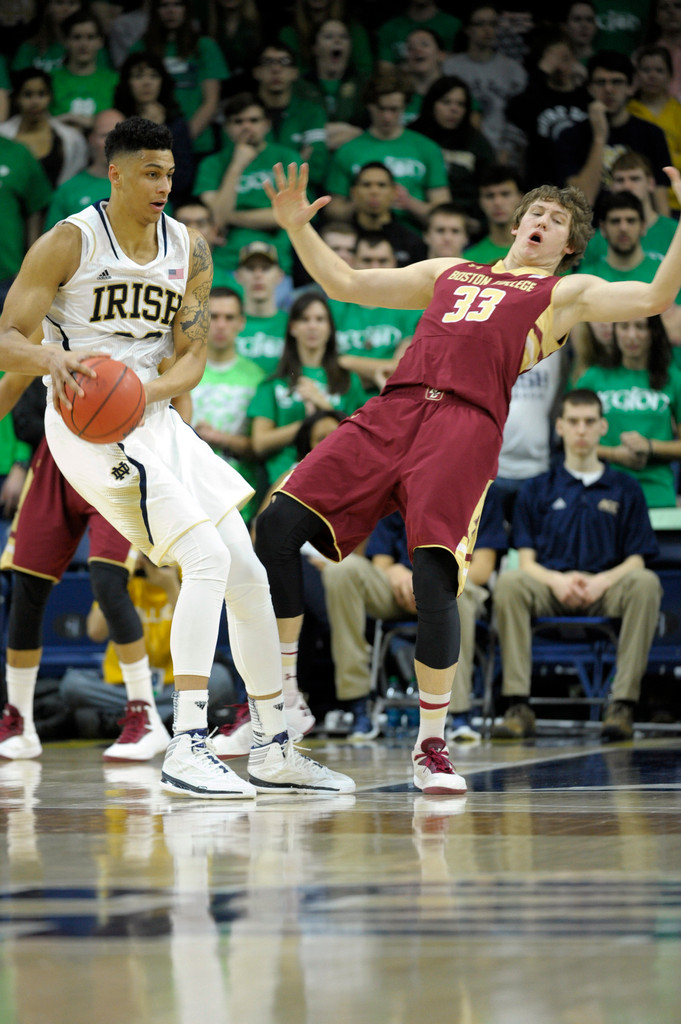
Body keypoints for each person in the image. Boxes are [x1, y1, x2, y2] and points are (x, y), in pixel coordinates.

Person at [255, 157, 681, 795]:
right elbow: (343, 282)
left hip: (465, 425)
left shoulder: (564, 293)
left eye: (557, 219)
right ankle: (286, 695)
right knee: (275, 526)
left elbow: (654, 297)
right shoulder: (449, 272)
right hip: (395, 406)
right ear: (516, 224)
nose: (542, 220)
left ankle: (432, 745)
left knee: (434, 576)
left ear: (570, 245)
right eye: (536, 211)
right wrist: (296, 228)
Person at [0, 117, 355, 799]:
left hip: (153, 417)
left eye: (170, 173)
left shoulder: (188, 247)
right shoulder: (69, 241)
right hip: (84, 425)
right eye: (151, 173)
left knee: (246, 571)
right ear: (116, 173)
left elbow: (191, 358)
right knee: (205, 559)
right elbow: (8, 338)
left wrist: (147, 391)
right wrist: (53, 357)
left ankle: (273, 744)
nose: (164, 185)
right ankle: (187, 743)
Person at [491, 388, 662, 742]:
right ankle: (518, 705)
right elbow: (525, 561)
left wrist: (602, 582)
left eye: (588, 422)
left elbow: (636, 558)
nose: (581, 430)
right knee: (509, 583)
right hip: (550, 587)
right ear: (559, 427)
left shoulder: (626, 488)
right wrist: (555, 581)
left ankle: (622, 706)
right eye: (573, 422)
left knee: (645, 582)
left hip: (607, 589)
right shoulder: (536, 489)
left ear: (603, 427)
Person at [322, 491, 507, 743]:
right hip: (400, 591)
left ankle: (458, 713)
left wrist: (431, 585)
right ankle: (358, 703)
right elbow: (381, 562)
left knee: (456, 596)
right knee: (341, 571)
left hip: (454, 586)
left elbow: (482, 570)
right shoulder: (401, 482)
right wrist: (394, 573)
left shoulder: (480, 490)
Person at [59, 550, 236, 743]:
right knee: (72, 685)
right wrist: (119, 582)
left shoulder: (186, 579)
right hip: (124, 686)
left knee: (220, 680)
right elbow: (95, 632)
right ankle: (166, 717)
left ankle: (134, 717)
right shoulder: (124, 584)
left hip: (174, 686)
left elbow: (200, 635)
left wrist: (170, 587)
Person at [248, 291, 368, 486]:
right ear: (293, 327)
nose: (312, 326)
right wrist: (308, 424)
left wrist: (324, 406)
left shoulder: (349, 380)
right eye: (305, 319)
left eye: (320, 319)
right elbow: (260, 443)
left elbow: (361, 439)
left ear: (330, 328)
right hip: (286, 482)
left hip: (338, 478)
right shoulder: (274, 382)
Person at [325, 70, 451, 231]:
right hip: (361, 240)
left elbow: (444, 212)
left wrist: (409, 204)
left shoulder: (427, 148)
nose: (387, 117)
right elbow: (332, 210)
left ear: (405, 106)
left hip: (413, 239)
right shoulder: (348, 151)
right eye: (381, 108)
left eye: (394, 109)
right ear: (369, 105)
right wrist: (359, 202)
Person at [576, 315, 681, 507]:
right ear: (614, 332)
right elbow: (571, 441)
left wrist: (650, 446)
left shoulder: (674, 380)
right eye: (624, 327)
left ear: (654, 333)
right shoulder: (593, 378)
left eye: (641, 327)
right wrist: (614, 454)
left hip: (656, 494)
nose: (632, 336)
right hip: (602, 492)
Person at [196, 92, 301, 279]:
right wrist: (237, 165)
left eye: (254, 120)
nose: (246, 126)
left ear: (266, 124)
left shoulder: (288, 159)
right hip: (224, 262)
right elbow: (218, 218)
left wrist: (232, 217)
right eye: (238, 122)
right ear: (227, 127)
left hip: (275, 263)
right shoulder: (211, 165)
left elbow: (289, 215)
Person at [555, 50, 672, 211]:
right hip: (591, 230)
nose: (609, 89)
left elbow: (660, 201)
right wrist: (599, 137)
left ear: (630, 87)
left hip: (640, 229)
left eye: (617, 82)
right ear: (590, 88)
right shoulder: (570, 136)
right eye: (600, 82)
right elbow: (583, 200)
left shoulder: (652, 134)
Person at [191, 285, 265, 523]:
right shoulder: (182, 371)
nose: (221, 324)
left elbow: (260, 446)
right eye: (213, 316)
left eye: (229, 317)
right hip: (188, 494)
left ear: (241, 322)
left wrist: (221, 439)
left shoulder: (258, 378)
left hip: (239, 500)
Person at [133, 0, 229, 157]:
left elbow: (211, 102)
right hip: (149, 145)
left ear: (187, 9)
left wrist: (180, 140)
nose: (171, 11)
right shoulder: (140, 48)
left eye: (177, 4)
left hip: (198, 144)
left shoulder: (205, 47)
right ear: (155, 11)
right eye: (163, 5)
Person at [328, 234, 422, 391]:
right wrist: (375, 370)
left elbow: (397, 370)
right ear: (353, 262)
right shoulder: (333, 308)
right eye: (367, 260)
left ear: (395, 263)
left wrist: (345, 362)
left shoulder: (412, 309)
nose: (375, 267)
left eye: (383, 261)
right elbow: (321, 367)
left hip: (389, 398)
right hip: (340, 399)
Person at [409, 75, 495, 238]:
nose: (454, 109)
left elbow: (490, 187)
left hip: (466, 227)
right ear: (431, 104)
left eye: (460, 104)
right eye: (446, 102)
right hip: (413, 224)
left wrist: (480, 223)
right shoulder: (412, 137)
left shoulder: (477, 143)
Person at [442, 3, 528, 163]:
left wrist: (506, 150)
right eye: (480, 24)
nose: (487, 30)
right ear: (467, 29)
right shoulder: (451, 67)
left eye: (492, 24)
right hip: (463, 151)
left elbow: (520, 117)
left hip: (504, 153)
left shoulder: (513, 70)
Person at [113, 51, 195, 201]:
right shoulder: (116, 121)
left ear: (162, 81)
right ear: (127, 82)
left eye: (154, 76)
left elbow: (182, 179)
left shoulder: (176, 124)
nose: (147, 83)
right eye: (138, 76)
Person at [250, 42, 329, 194]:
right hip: (252, 202)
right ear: (256, 72)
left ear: (295, 72)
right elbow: (235, 165)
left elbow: (317, 171)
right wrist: (298, 159)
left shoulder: (311, 113)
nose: (276, 69)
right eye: (268, 62)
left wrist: (262, 166)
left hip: (300, 206)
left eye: (284, 63)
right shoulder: (243, 116)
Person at [580, 150, 678, 266]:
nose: (627, 186)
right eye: (620, 180)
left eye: (634, 178)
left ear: (651, 184)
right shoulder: (596, 240)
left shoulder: (675, 232)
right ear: (611, 186)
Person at [0, 67, 89, 189]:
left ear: (50, 97)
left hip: (58, 206)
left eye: (42, 94)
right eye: (27, 94)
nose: (35, 102)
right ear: (16, 99)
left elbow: (78, 179)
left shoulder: (71, 138)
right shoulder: (2, 135)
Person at [44, 109, 124, 231]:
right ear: (91, 139)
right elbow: (52, 246)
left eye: (119, 136)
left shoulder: (146, 186)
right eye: (104, 135)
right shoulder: (67, 191)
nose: (112, 143)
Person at [629, 45, 681, 213]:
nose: (652, 75)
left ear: (670, 75)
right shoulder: (627, 111)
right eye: (646, 70)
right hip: (636, 200)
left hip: (675, 199)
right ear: (636, 75)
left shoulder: (678, 111)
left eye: (659, 70)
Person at [49, 9, 118, 133]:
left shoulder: (114, 80)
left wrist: (72, 118)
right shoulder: (50, 79)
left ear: (100, 41)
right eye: (77, 37)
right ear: (65, 41)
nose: (83, 44)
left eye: (90, 37)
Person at [348, 162, 428, 268]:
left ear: (394, 192)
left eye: (381, 185)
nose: (374, 191)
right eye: (366, 185)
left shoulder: (413, 243)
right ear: (354, 192)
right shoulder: (339, 238)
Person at [233, 240, 288, 373]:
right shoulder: (225, 322)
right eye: (250, 268)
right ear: (238, 276)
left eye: (266, 268)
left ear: (280, 276)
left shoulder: (292, 324)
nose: (258, 275)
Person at [463, 165, 524, 265]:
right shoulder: (468, 260)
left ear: (521, 198)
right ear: (480, 202)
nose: (497, 202)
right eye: (489, 196)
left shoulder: (544, 254)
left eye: (505, 194)